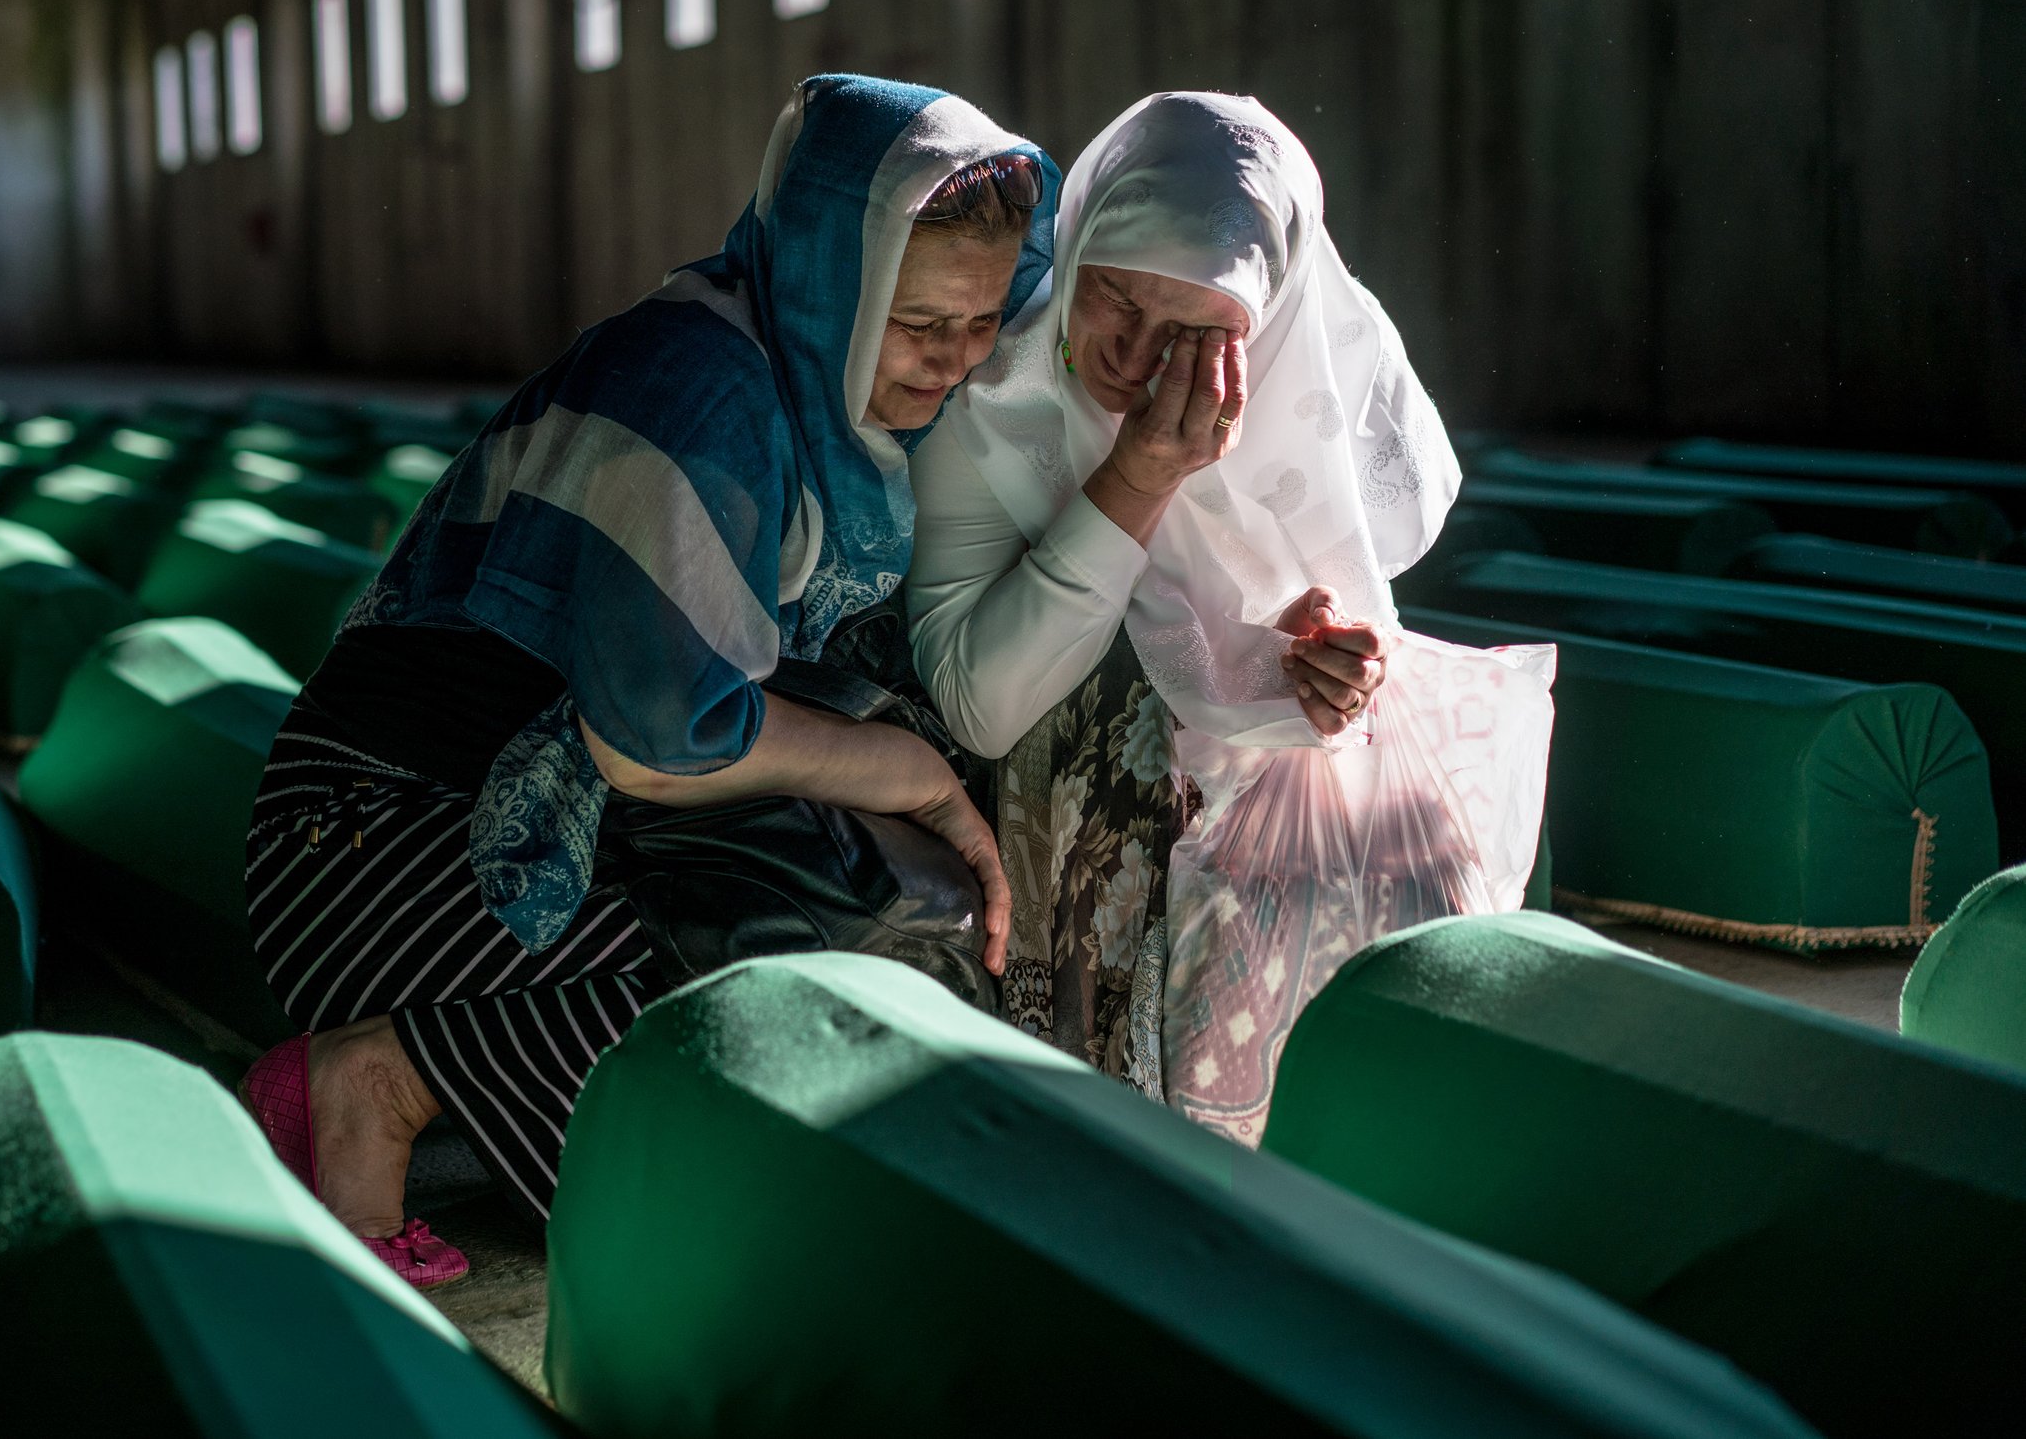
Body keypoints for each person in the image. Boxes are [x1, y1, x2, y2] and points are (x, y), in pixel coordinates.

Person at [236, 74, 1058, 1287]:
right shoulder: (700, 383)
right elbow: (652, 740)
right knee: (734, 1062)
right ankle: (376, 1076)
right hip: (369, 841)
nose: (953, 360)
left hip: (529, 818)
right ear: (832, 274)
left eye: (982, 321)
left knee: (819, 993)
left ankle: (436, 1065)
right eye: (918, 318)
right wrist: (911, 772)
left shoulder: (815, 396)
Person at [909, 92, 1531, 1139]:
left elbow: (1325, 604)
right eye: (1110, 297)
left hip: (1259, 793)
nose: (1133, 355)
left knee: (1399, 812)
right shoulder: (997, 408)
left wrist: (1333, 659)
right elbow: (981, 705)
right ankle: (1168, 1122)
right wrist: (1139, 481)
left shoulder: (1309, 386)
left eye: (1195, 328)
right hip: (1085, 806)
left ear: (1271, 318)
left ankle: (1378, 1113)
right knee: (1138, 732)